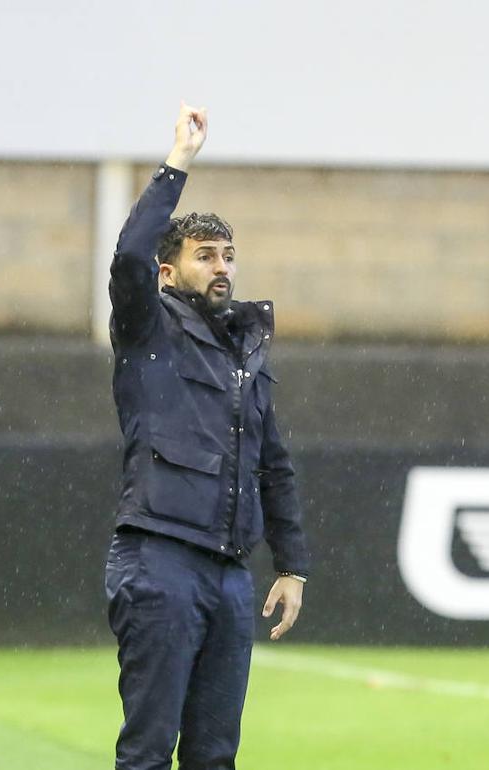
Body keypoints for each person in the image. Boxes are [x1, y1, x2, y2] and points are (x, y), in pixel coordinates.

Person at [104, 103, 311, 770]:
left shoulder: (242, 352)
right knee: (147, 751)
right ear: (169, 273)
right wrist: (177, 164)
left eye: (227, 255)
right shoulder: (149, 331)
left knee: (216, 754)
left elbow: (272, 463)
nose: (221, 266)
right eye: (204, 256)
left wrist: (291, 563)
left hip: (229, 574)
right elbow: (129, 256)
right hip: (160, 561)